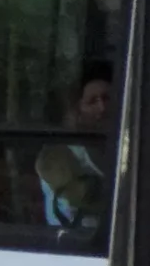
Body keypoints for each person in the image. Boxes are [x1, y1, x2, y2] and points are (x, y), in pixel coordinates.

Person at [37, 62, 114, 228]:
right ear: (78, 110)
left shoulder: (135, 145)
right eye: (92, 101)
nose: (102, 107)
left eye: (107, 98)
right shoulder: (57, 158)